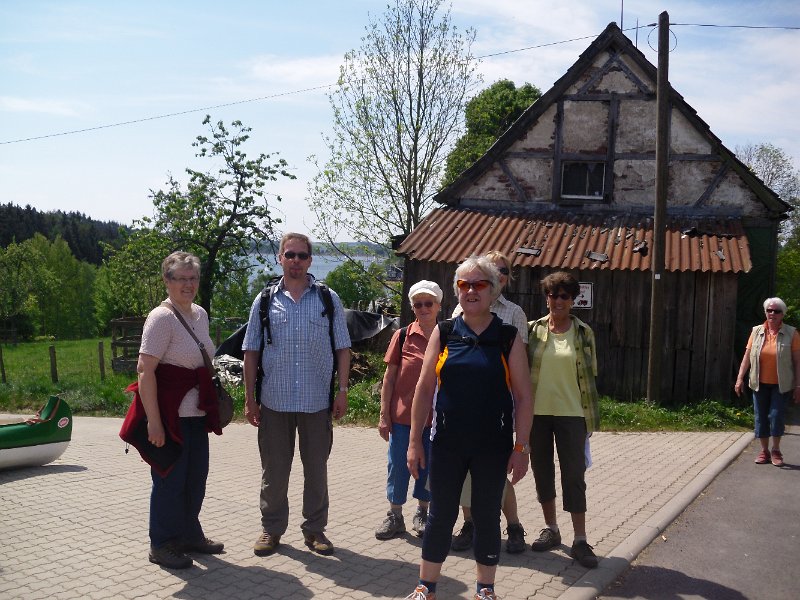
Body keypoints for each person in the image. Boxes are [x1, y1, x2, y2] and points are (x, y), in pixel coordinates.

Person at [405, 256, 533, 600]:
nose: (472, 290)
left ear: (493, 291)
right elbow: (423, 389)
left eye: (479, 284)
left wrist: (521, 448)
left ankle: (485, 590)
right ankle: (425, 587)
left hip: (493, 444)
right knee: (441, 515)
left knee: (488, 515)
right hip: (447, 442)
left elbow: (523, 396)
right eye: (465, 284)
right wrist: (414, 442)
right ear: (456, 291)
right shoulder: (444, 332)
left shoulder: (508, 337)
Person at [242, 232, 351, 557]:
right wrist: (249, 398)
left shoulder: (328, 299)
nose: (296, 261)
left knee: (316, 469)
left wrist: (343, 391)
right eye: (290, 255)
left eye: (302, 256)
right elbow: (251, 352)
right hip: (274, 401)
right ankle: (271, 529)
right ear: (280, 258)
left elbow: (343, 348)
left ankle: (315, 531)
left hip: (317, 401)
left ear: (310, 260)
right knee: (274, 470)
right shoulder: (264, 301)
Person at [128, 251, 225, 570]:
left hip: (196, 414)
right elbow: (145, 371)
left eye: (193, 278)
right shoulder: (161, 318)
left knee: (196, 479)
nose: (188, 284)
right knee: (169, 480)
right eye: (181, 278)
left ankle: (188, 534)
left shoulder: (200, 314)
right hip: (170, 416)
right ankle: (162, 543)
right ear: (166, 281)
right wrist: (154, 423)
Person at [450, 250, 529, 554]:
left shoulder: (514, 313)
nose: (498, 275)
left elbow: (519, 364)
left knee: (497, 470)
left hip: (499, 405)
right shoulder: (460, 310)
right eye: (493, 270)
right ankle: (470, 523)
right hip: (463, 406)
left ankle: (513, 525)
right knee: (466, 470)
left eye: (503, 271)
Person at [527, 271, 599, 569]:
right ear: (547, 298)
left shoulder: (584, 333)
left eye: (564, 296)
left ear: (573, 300)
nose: (558, 301)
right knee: (542, 472)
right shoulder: (532, 330)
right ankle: (552, 529)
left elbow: (591, 376)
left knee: (574, 477)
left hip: (573, 415)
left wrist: (589, 418)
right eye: (553, 295)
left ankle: (580, 539)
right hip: (537, 415)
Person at [375, 280, 442, 540]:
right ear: (412, 307)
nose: (423, 308)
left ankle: (423, 512)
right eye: (418, 304)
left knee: (429, 467)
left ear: (438, 305)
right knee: (398, 466)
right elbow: (389, 379)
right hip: (402, 417)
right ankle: (395, 515)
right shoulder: (402, 335)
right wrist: (383, 416)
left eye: (429, 303)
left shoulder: (447, 334)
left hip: (436, 419)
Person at [734, 297, 800, 467]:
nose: (772, 313)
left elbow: (797, 362)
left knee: (776, 416)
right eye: (769, 310)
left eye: (776, 311)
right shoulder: (756, 331)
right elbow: (747, 357)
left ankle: (776, 449)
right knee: (761, 417)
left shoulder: (792, 333)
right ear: (765, 312)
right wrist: (740, 378)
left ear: (782, 314)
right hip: (759, 383)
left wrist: (798, 385)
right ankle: (764, 451)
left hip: (781, 384)